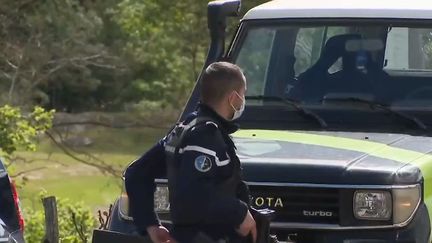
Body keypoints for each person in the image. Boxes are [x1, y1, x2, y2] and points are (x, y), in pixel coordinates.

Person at [125, 62, 256, 243]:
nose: (243, 100)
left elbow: (137, 173)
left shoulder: (185, 129)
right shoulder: (205, 137)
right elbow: (194, 195)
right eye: (243, 94)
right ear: (233, 98)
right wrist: (239, 213)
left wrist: (150, 225)